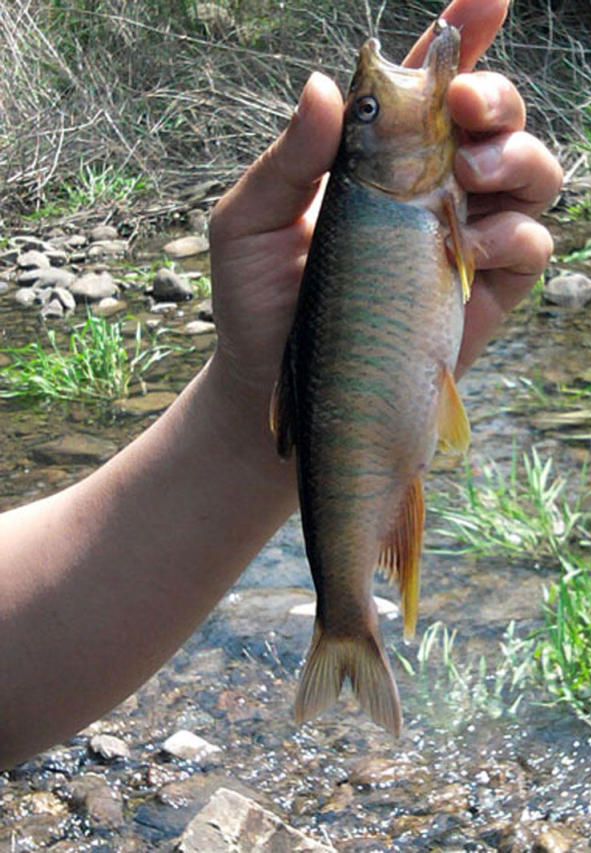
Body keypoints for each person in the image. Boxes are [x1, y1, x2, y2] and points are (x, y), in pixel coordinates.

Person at [0, 0, 562, 768]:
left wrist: (243, 416)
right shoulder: (410, 199)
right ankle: (348, 620)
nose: (374, 101)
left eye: (363, 109)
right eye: (367, 109)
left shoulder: (406, 198)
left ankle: (347, 618)